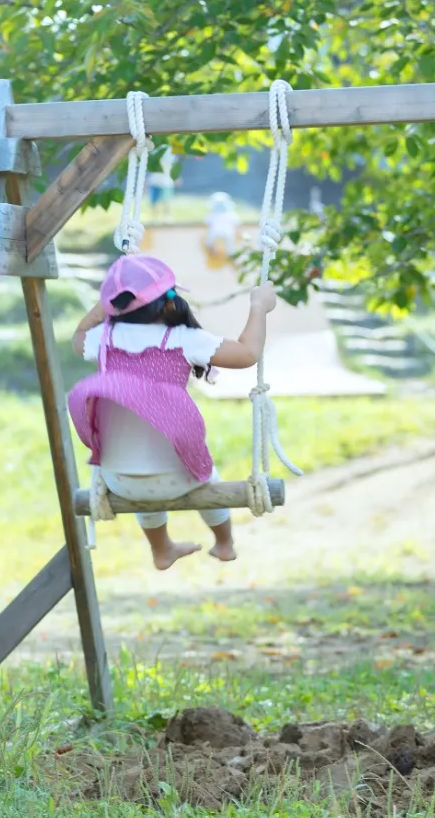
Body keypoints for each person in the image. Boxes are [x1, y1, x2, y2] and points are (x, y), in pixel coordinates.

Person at [67, 254, 278, 570]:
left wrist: (102, 309)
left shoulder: (103, 339)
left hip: (119, 481)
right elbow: (247, 353)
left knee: (141, 464)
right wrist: (259, 307)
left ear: (113, 307)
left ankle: (161, 549)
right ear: (169, 303)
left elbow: (78, 338)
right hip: (183, 480)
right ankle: (224, 543)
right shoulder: (183, 339)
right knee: (206, 474)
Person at [204, 192, 239, 256]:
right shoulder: (231, 214)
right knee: (230, 244)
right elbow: (236, 225)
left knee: (209, 241)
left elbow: (207, 224)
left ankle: (213, 251)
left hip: (215, 233)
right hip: (228, 233)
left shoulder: (212, 214)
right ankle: (231, 254)